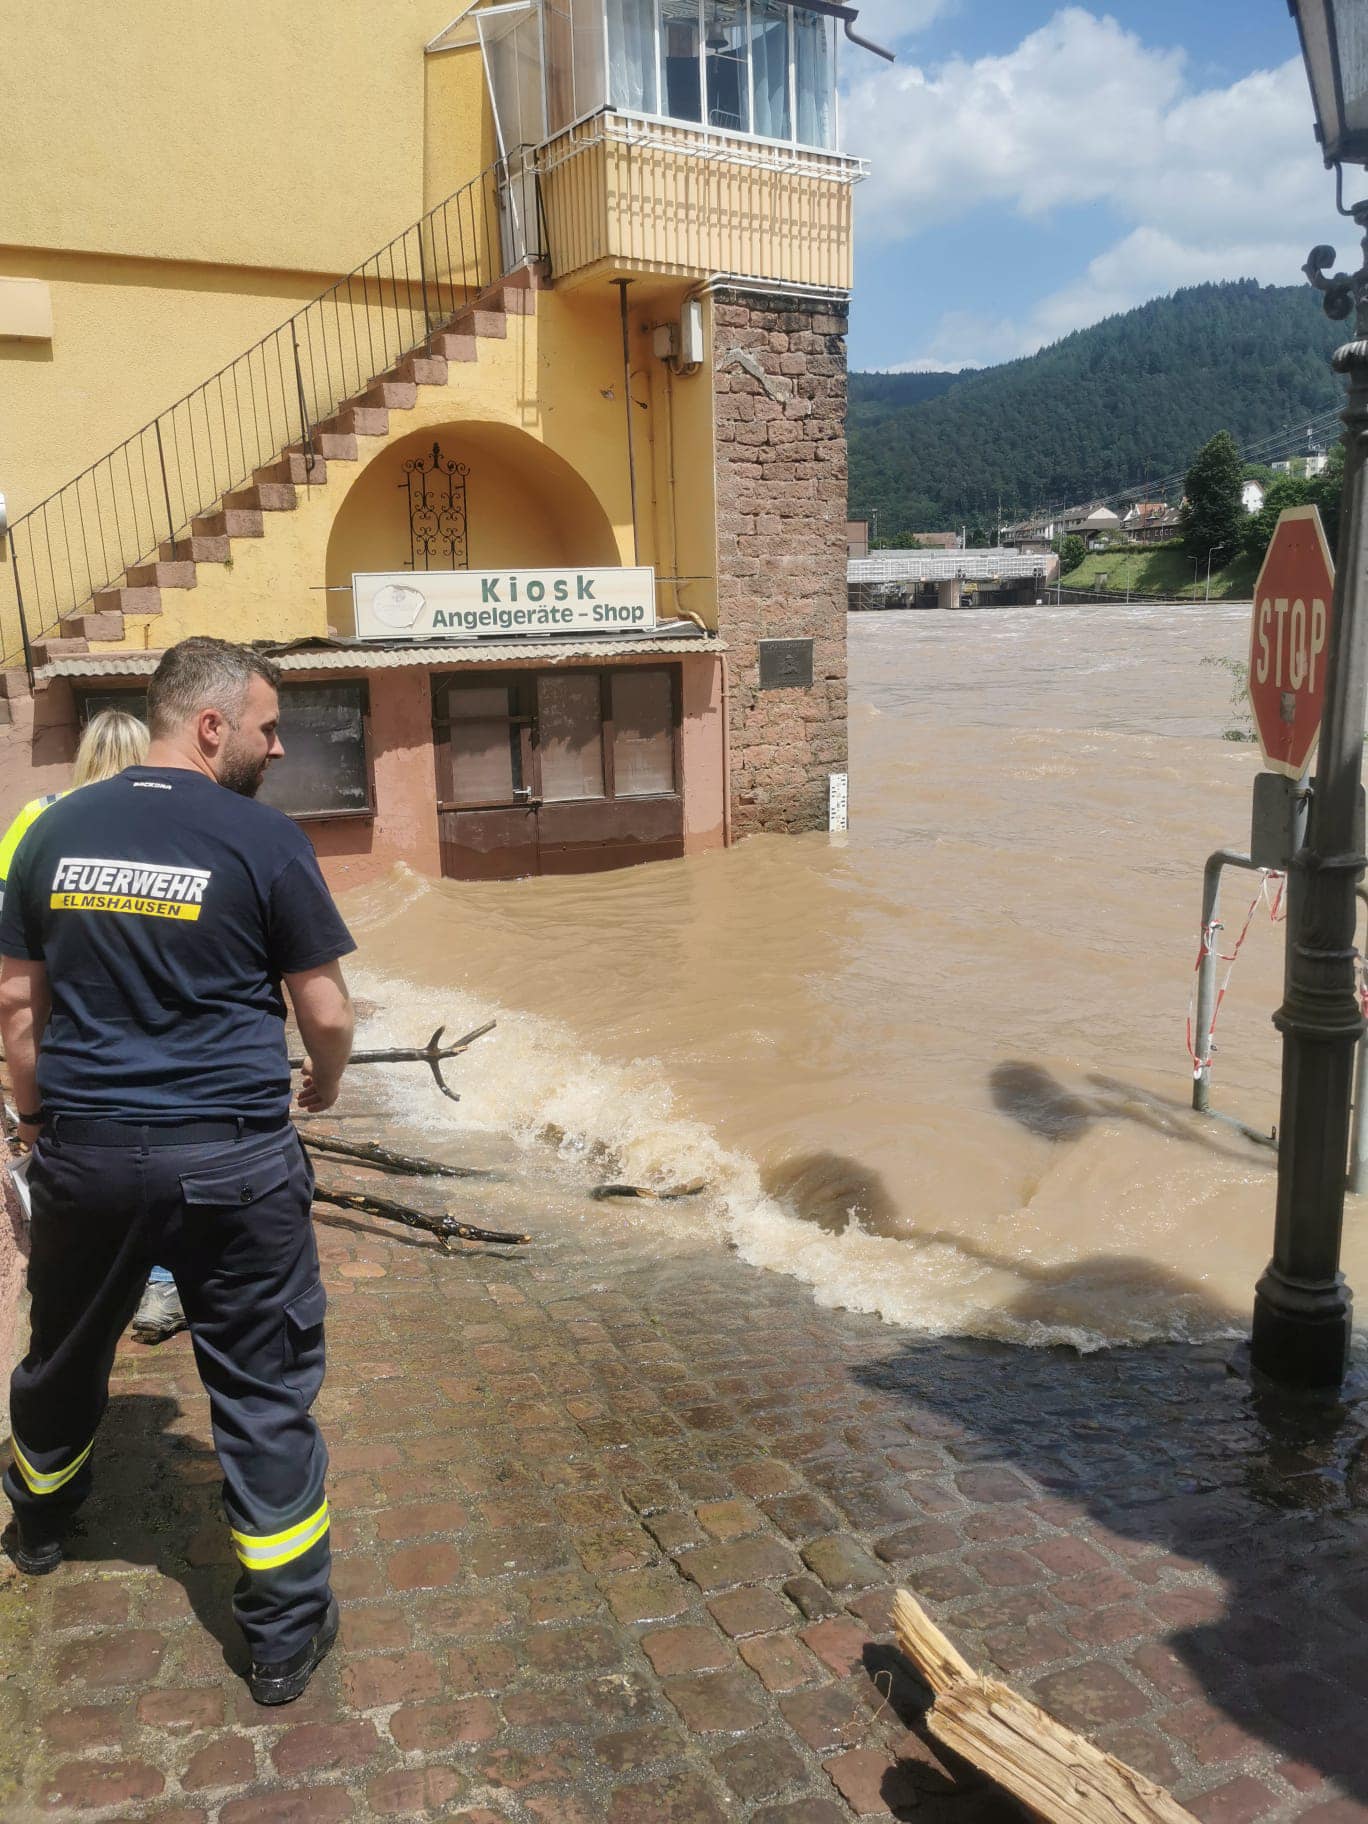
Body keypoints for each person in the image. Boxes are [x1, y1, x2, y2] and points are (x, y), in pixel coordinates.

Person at [0, 637, 355, 1706]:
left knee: (64, 1344)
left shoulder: (50, 834)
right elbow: (326, 1010)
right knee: (260, 1383)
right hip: (233, 1160)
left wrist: (31, 1130)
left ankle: (44, 1521)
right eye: (266, 726)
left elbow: (17, 1008)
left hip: (89, 1149)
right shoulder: (264, 840)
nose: (278, 744)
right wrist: (326, 1084)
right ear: (210, 727)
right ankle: (285, 1637)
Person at [0, 710, 189, 1347]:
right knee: (161, 1145)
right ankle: (160, 1285)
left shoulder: (39, 818)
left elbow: (10, 936)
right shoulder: (168, 817)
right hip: (154, 1018)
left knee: (70, 1155)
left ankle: (70, 1288)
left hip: (65, 1024)